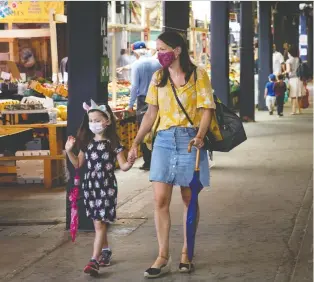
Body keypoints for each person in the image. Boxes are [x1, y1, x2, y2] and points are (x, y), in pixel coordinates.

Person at [127, 31, 216, 278]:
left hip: (190, 141)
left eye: (163, 49)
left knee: (190, 199)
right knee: (160, 200)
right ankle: (162, 255)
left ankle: (187, 253)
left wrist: (199, 135)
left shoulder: (199, 76)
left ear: (177, 51)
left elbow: (206, 109)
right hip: (164, 141)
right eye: (157, 49)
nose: (159, 54)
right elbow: (150, 113)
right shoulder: (158, 77)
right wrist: (135, 142)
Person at [65, 100, 134, 277]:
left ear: (107, 121)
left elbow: (123, 166)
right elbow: (79, 164)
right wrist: (69, 151)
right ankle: (106, 251)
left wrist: (130, 162)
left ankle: (94, 260)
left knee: (99, 223)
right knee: (98, 221)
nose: (94, 124)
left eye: (97, 120)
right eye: (91, 121)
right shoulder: (86, 143)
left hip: (106, 187)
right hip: (90, 187)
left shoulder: (113, 143)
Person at [127, 41, 161, 171]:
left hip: (143, 100)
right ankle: (158, 159)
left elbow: (134, 86)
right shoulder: (157, 63)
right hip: (158, 100)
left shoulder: (136, 65)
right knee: (157, 129)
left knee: (144, 130)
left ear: (135, 51)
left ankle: (148, 162)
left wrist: (130, 104)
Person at [285, 46, 305, 115]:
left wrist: (282, 72)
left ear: (289, 52)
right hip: (299, 79)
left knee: (293, 96)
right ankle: (299, 110)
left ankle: (293, 110)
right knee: (299, 95)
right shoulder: (299, 59)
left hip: (292, 79)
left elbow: (288, 70)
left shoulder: (289, 60)